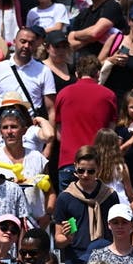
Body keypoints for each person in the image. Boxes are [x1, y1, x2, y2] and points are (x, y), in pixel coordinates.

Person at [54, 56, 117, 189]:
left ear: (77, 74)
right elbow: (111, 131)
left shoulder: (63, 94)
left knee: (68, 207)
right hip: (97, 164)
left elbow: (59, 133)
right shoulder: (109, 95)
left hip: (68, 161)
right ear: (98, 73)